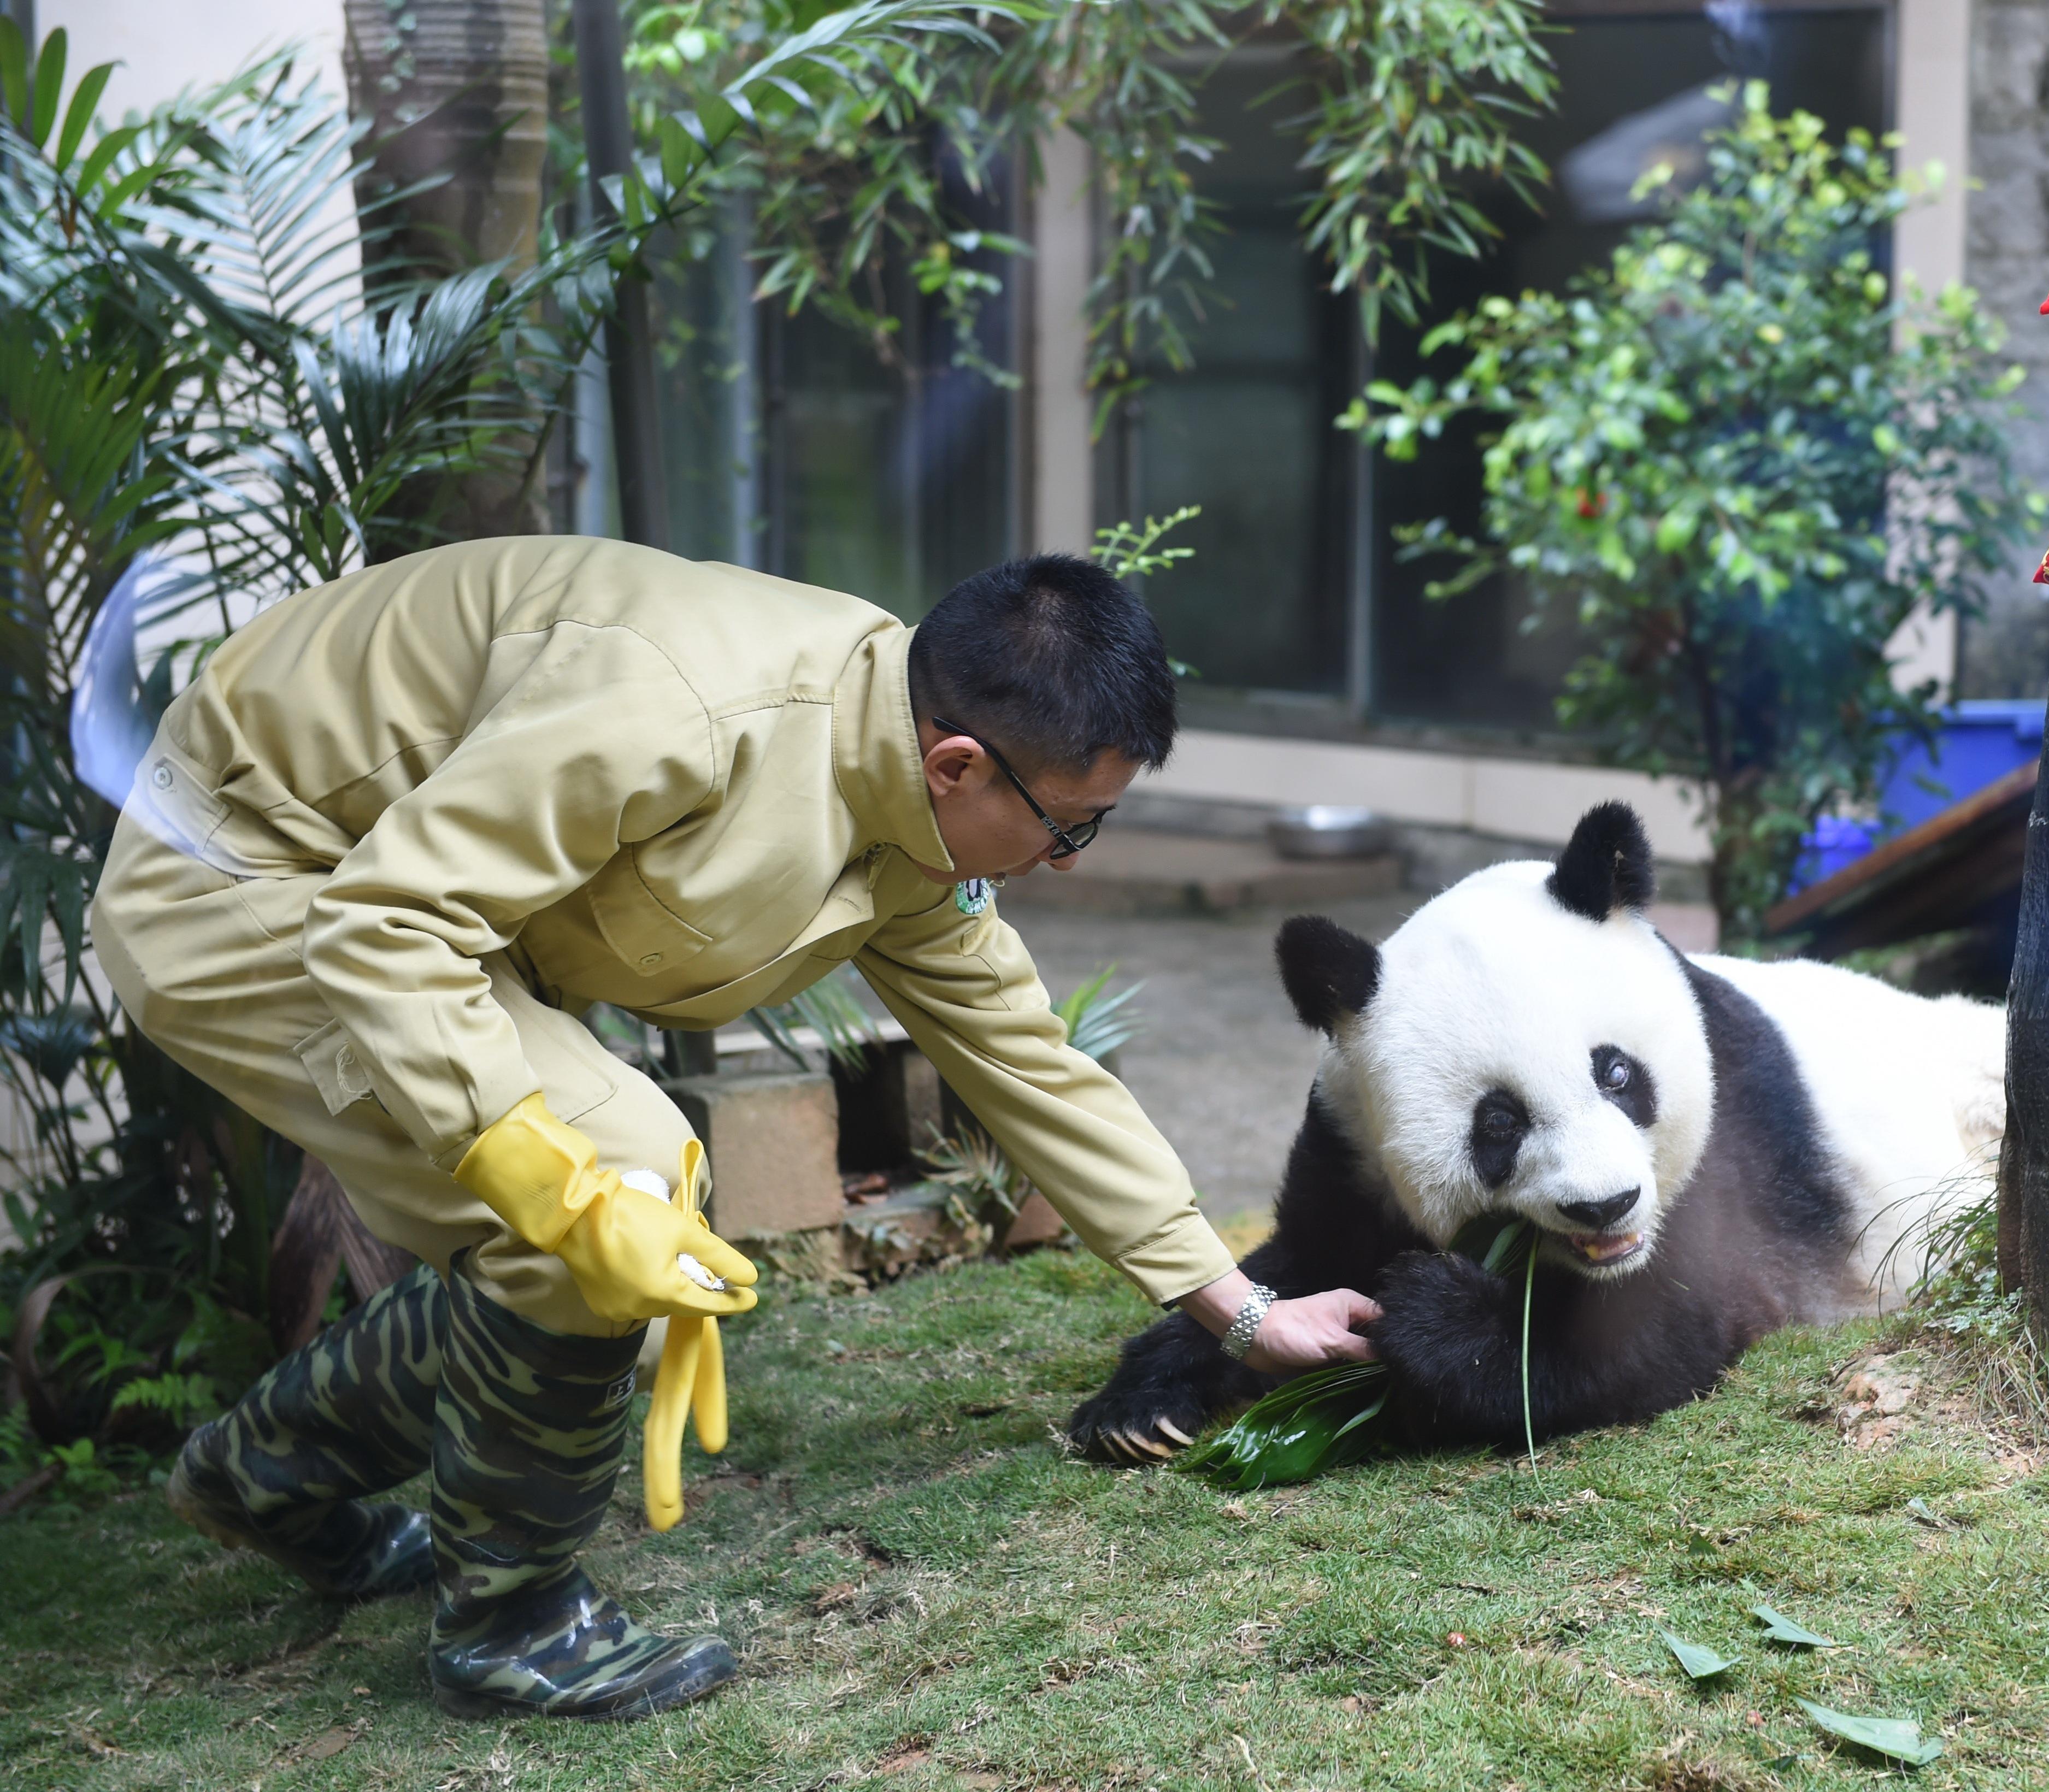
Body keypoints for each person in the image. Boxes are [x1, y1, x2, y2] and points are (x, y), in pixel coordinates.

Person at [89, 537, 1380, 1720]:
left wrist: (1242, 1310)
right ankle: (512, 1624)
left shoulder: (898, 788)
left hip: (384, 886)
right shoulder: (682, 710)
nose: (1076, 858)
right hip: (247, 873)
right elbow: (388, 926)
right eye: (1070, 823)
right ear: (958, 763)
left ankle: (264, 1475)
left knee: (591, 1209)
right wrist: (568, 1193)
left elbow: (1025, 1055)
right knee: (615, 1180)